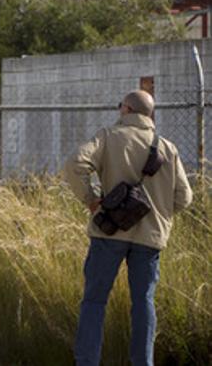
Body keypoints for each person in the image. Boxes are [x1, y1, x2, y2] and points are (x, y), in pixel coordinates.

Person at [66, 89, 193, 366]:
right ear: (149, 114)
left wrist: (91, 199)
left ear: (125, 109)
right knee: (143, 303)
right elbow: (184, 197)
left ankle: (87, 362)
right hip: (149, 239)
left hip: (108, 233)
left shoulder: (108, 136)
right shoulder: (167, 148)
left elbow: (75, 164)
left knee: (95, 301)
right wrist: (158, 213)